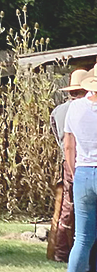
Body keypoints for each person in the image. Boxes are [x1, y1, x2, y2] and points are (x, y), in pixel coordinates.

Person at [51, 69, 92, 262]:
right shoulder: (84, 109)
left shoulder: (58, 111)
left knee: (67, 207)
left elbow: (58, 136)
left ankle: (61, 250)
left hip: (66, 161)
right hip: (84, 162)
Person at [64, 74, 97, 272]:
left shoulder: (75, 107)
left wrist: (75, 173)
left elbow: (69, 146)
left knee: (82, 238)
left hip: (83, 171)